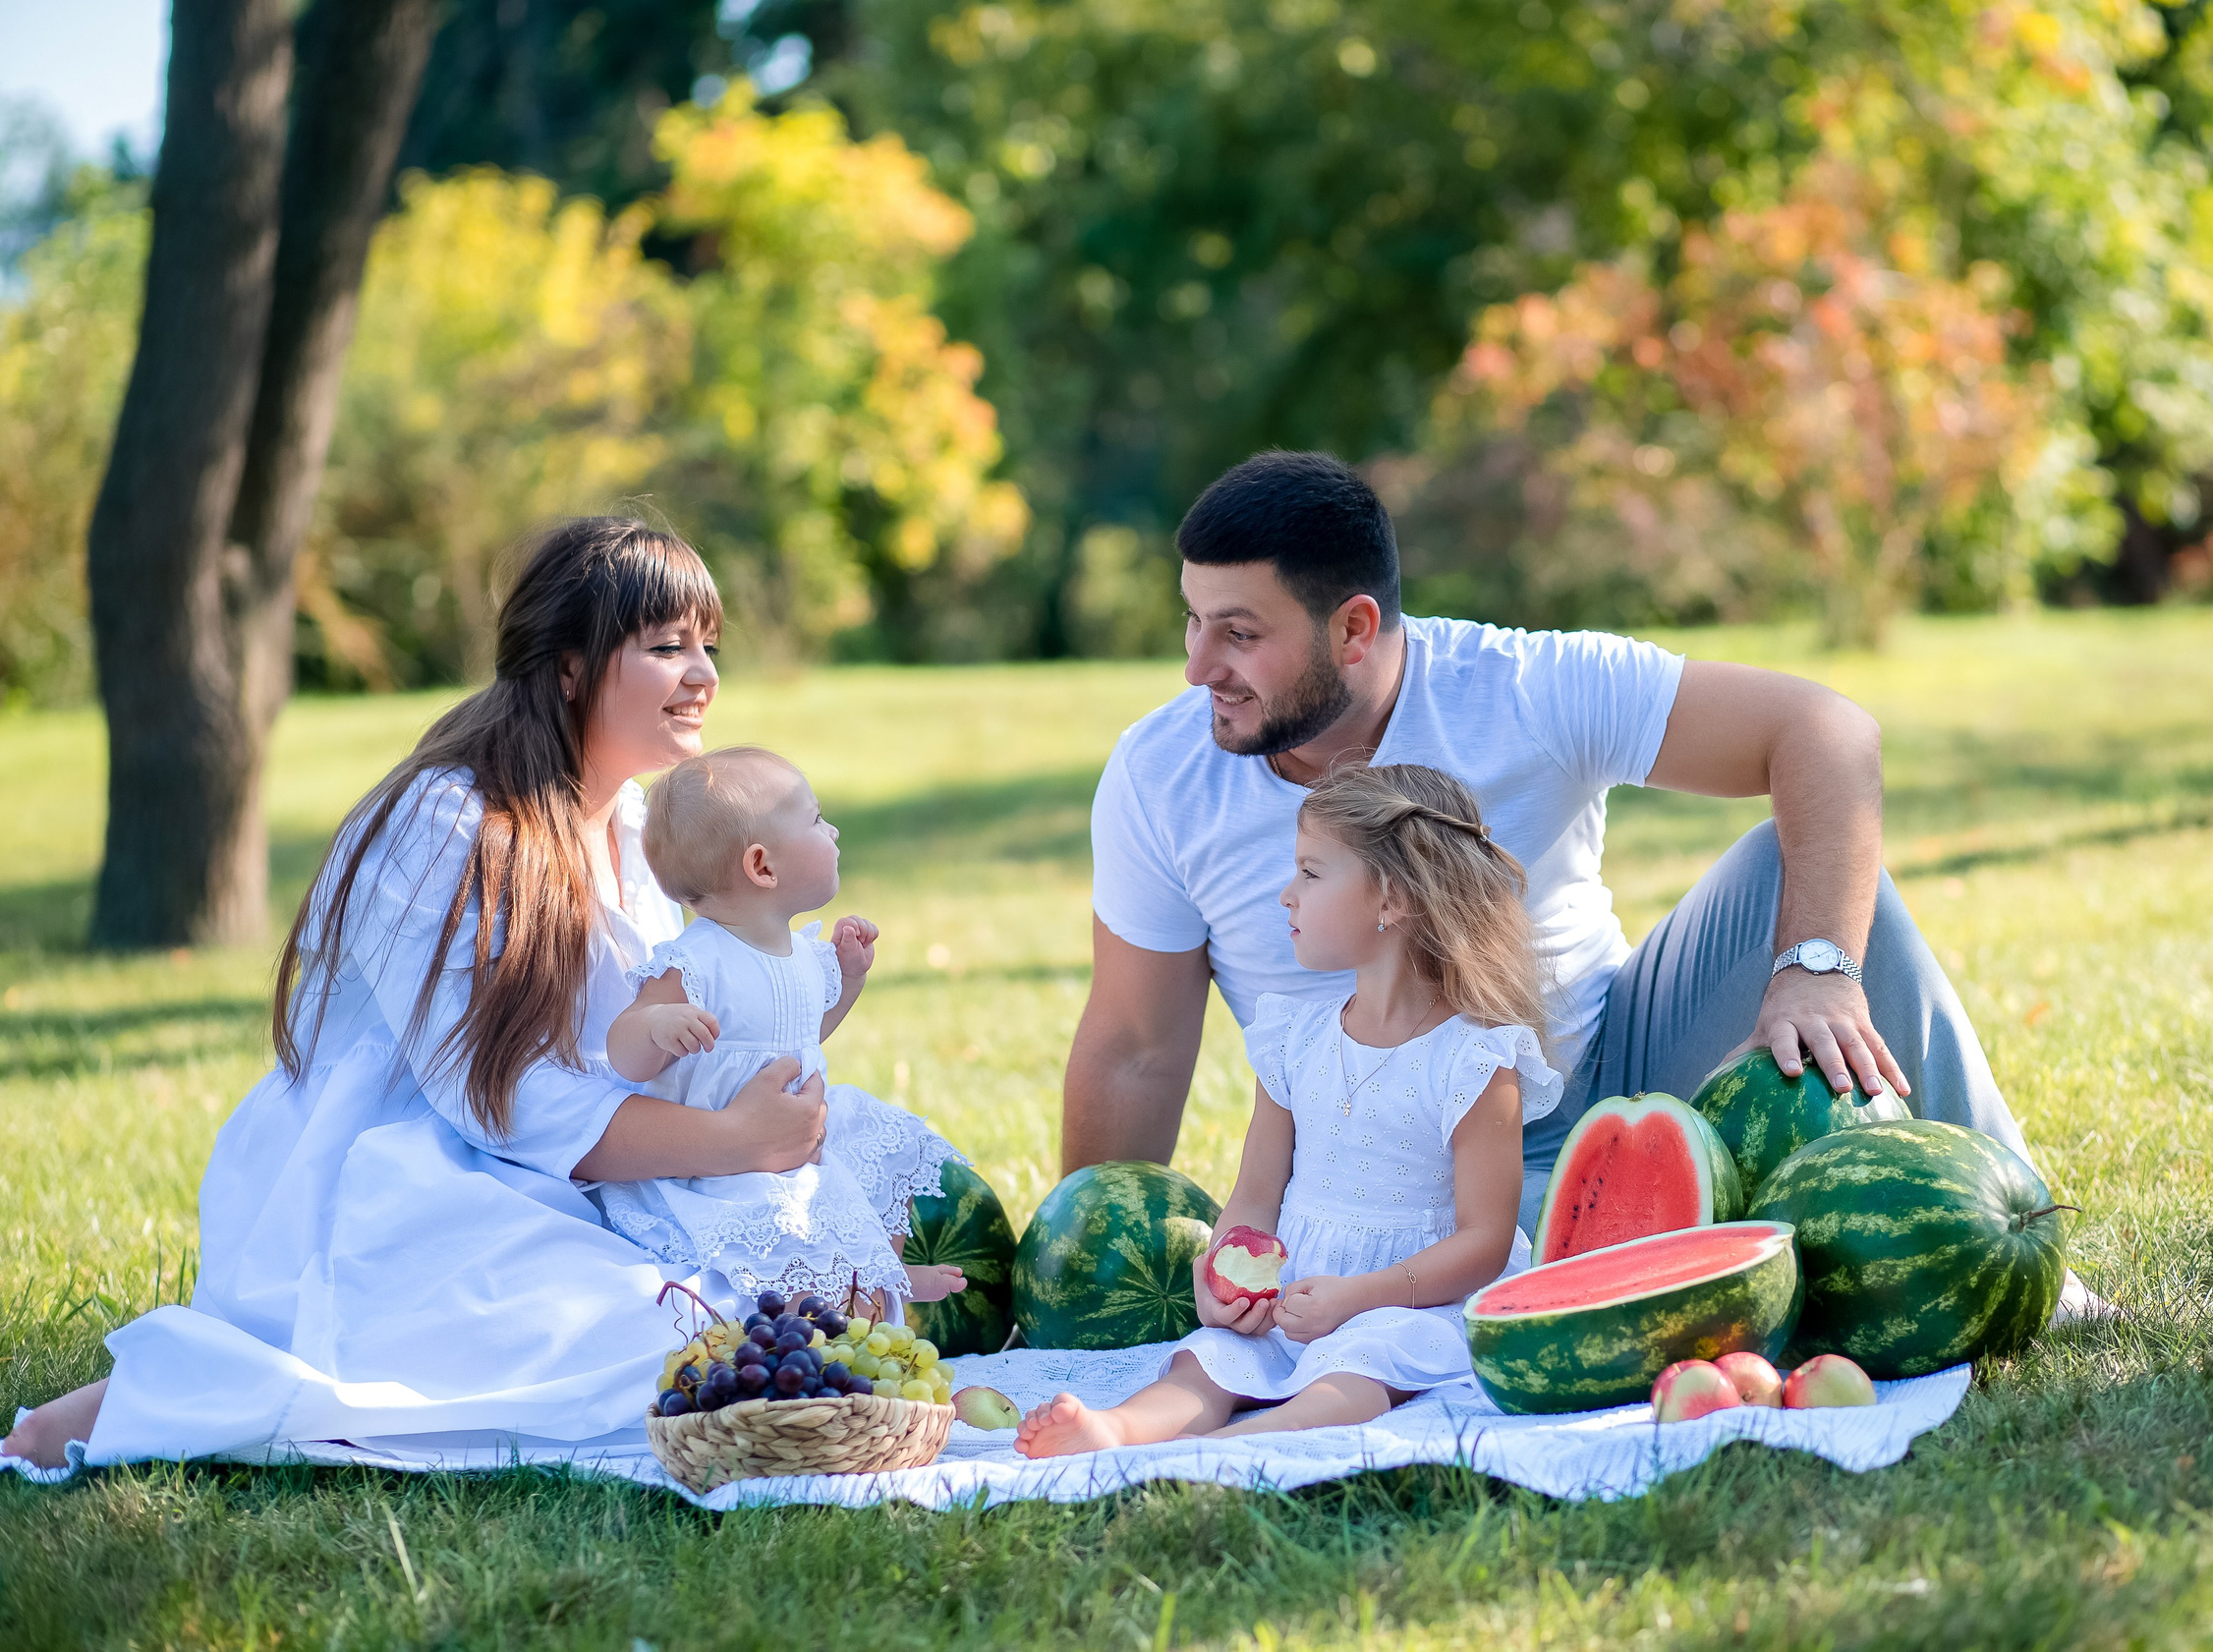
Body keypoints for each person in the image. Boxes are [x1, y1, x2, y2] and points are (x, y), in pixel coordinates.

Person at [1065, 450, 2111, 1320]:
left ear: (1354, 628)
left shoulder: (1520, 688)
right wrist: (1069, 1288)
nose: (1198, 666)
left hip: (1618, 1069)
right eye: (1193, 621)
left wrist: (1816, 970)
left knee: (1792, 869)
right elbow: (1134, 1050)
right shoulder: (1160, 778)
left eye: (1240, 633)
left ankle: (2018, 1246)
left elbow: (1826, 733)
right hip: (1388, 1177)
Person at [5, 519, 832, 1470]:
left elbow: (641, 1042)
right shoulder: (444, 823)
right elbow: (501, 1099)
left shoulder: (638, 831)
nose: (703, 675)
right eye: (666, 647)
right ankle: (140, 1402)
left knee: (774, 1304)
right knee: (662, 1347)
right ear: (569, 667)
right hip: (406, 1184)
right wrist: (731, 1142)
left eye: (706, 646)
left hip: (575, 1169)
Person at [1017, 765, 1554, 1455]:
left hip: (1413, 1301)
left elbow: (1484, 1240)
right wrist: (1222, 1275)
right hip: (1295, 1293)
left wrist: (1360, 1297)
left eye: (1310, 872)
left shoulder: (1476, 1060)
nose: (1286, 893)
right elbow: (1254, 1197)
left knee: (1359, 1369)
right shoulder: (1294, 1040)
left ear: (1392, 897)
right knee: (1208, 1360)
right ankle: (1116, 1429)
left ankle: (1248, 1442)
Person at [598, 745, 966, 1311]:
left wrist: (849, 980)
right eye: (817, 820)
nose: (834, 831)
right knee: (785, 1237)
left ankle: (881, 1266)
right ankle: (836, 1307)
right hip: (726, 1166)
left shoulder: (799, 953)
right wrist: (654, 1026)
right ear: (762, 867)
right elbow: (623, 1053)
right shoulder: (697, 961)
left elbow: (803, 1037)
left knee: (885, 1144)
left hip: (799, 1134)